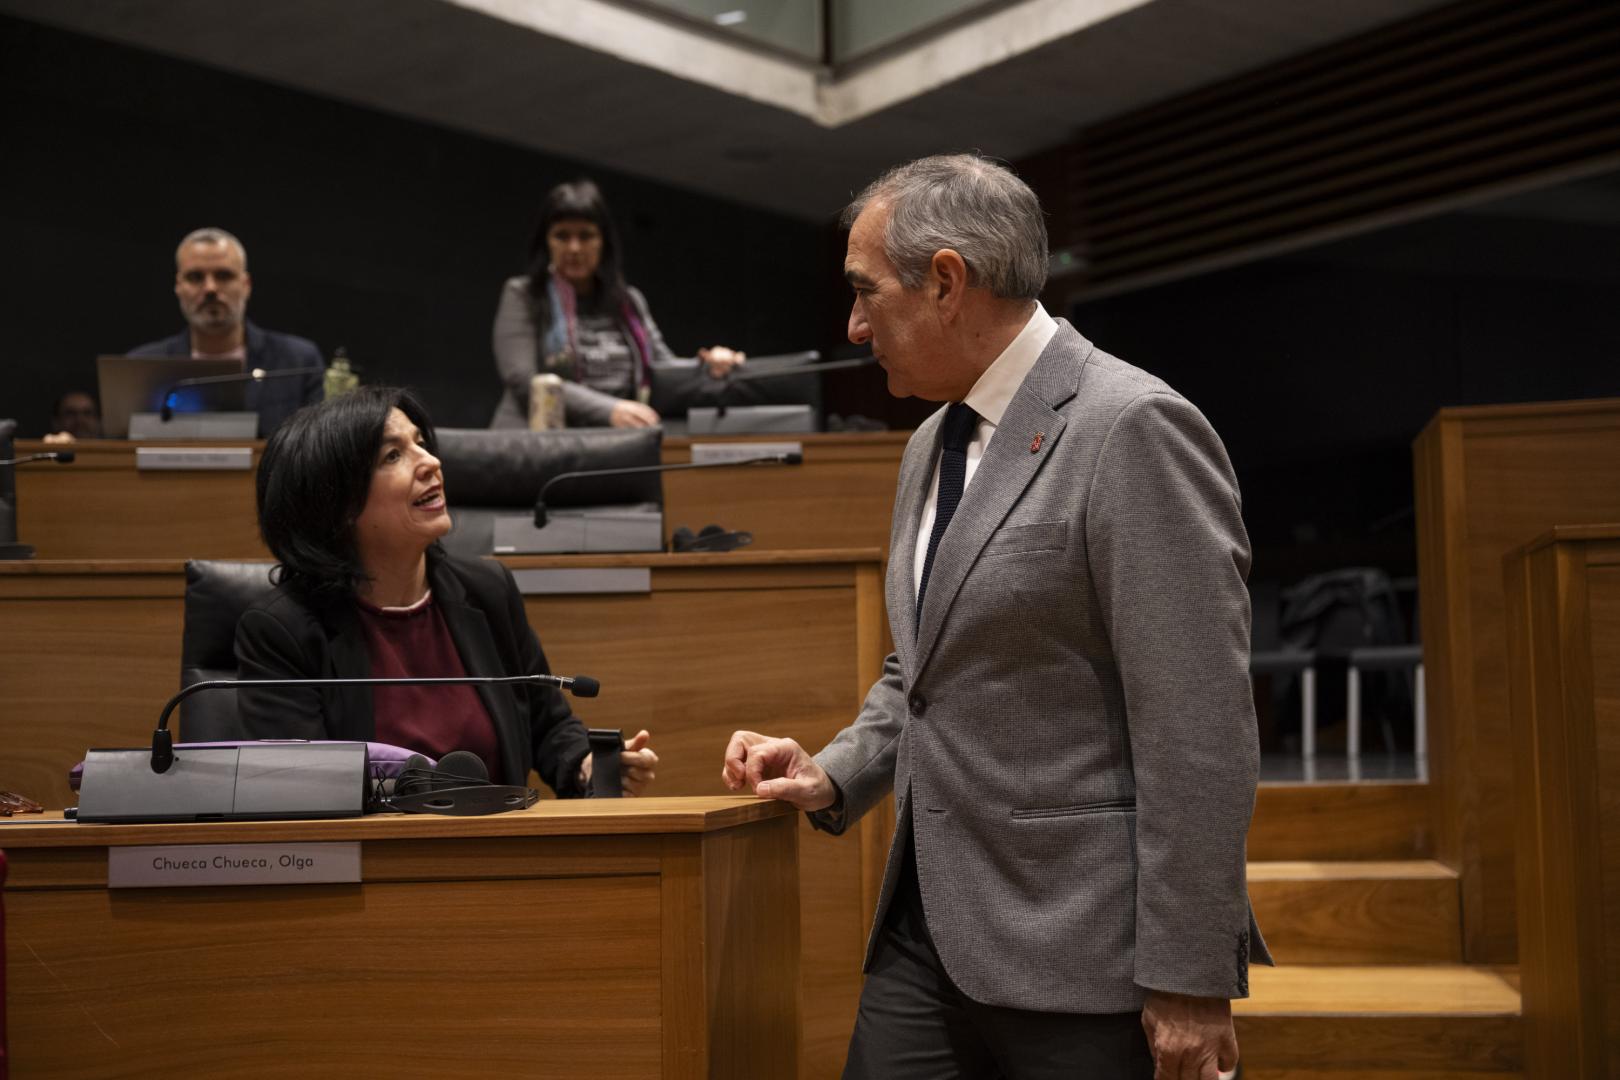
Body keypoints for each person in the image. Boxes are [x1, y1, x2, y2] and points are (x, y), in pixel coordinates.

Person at [722, 154, 1269, 1078]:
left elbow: (1199, 724)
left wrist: (1189, 975)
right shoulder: (929, 439)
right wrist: (836, 770)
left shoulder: (1131, 425)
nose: (854, 326)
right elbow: (925, 668)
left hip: (1085, 954)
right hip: (925, 934)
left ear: (945, 282)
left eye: (865, 293)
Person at [236, 385, 658, 796]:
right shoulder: (283, 630)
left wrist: (587, 765)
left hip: (498, 852)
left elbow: (547, 724)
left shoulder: (487, 591)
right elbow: (303, 793)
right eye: (393, 455)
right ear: (337, 504)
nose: (430, 462)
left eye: (421, 442)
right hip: (370, 861)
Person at [490, 179, 746, 429]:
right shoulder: (523, 294)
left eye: (586, 235)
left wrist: (708, 364)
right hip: (535, 448)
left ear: (604, 242)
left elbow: (662, 368)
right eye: (562, 236)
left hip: (612, 444)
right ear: (546, 242)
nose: (574, 248)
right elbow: (525, 382)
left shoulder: (628, 301)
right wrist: (610, 410)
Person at [130, 227, 324, 437]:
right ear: (178, 286)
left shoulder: (298, 360)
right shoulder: (141, 366)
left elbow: (316, 448)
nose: (210, 288)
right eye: (195, 277)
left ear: (246, 285)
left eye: (224, 275)